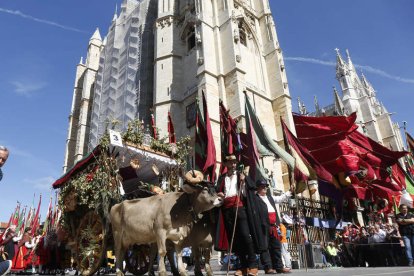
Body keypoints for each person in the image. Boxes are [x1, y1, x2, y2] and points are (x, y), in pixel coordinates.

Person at [216, 155, 258, 276]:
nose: (233, 164)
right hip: (226, 209)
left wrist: (244, 182)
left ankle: (253, 265)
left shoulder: (241, 175)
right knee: (235, 240)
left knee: (245, 236)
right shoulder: (222, 178)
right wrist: (220, 194)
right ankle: (243, 267)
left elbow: (246, 193)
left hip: (239, 208)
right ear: (226, 164)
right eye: (231, 162)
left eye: (235, 162)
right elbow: (219, 191)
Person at [255, 179, 291, 274]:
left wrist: (290, 191)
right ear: (258, 188)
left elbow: (280, 199)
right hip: (263, 227)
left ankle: (279, 267)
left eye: (266, 186)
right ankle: (268, 267)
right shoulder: (255, 199)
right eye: (262, 186)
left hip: (273, 226)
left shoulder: (270, 198)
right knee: (265, 247)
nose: (265, 188)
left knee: (276, 246)